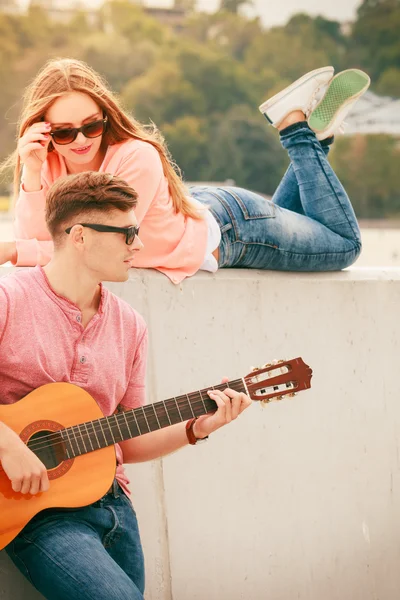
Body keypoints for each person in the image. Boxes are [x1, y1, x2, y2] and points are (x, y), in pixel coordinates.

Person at [0, 171, 252, 600]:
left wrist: (197, 427)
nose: (138, 245)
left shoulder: (129, 325)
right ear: (79, 236)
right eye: (127, 233)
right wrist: (7, 443)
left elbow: (128, 439)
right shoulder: (9, 297)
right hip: (35, 509)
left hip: (115, 507)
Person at [0, 59, 370, 284]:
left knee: (344, 245)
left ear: (106, 117)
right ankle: (313, 138)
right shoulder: (44, 162)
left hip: (234, 230)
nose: (80, 140)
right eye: (64, 132)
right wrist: (31, 177)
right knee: (301, 217)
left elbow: (100, 248)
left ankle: (293, 128)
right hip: (197, 210)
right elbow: (45, 239)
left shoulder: (135, 158)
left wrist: (15, 251)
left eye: (91, 126)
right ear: (44, 129)